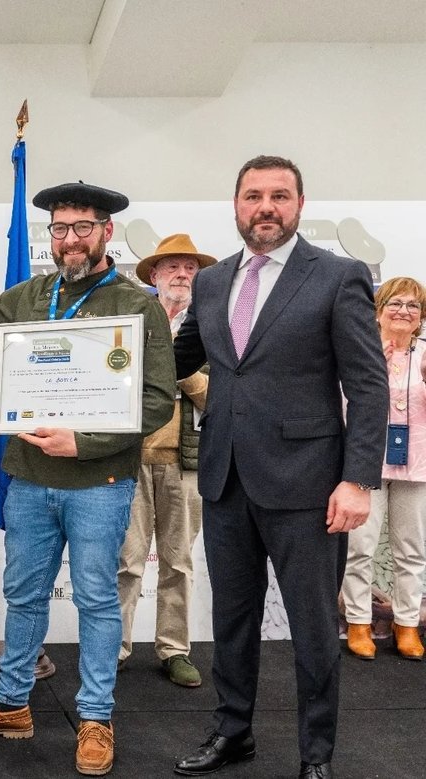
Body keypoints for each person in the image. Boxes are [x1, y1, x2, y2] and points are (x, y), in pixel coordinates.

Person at [0, 182, 176, 777]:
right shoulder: (32, 294)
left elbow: (157, 401)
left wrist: (85, 441)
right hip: (30, 478)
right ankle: (12, 704)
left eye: (82, 228)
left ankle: (95, 718)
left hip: (100, 479)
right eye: (60, 229)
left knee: (95, 599)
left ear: (105, 233)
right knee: (23, 594)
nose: (69, 240)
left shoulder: (138, 304)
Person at [171, 156, 386, 779]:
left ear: (298, 204)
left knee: (315, 631)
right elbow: (177, 356)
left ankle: (316, 754)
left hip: (311, 487)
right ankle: (232, 732)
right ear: (234, 205)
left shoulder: (338, 275)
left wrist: (358, 478)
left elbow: (368, 385)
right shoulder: (211, 285)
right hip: (225, 479)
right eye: (252, 195)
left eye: (279, 195)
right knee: (232, 622)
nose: (265, 206)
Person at [117, 234, 214, 687]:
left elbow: (219, 398)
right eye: (171, 267)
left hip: (186, 464)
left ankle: (174, 649)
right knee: (126, 561)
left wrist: (177, 365)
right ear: (153, 276)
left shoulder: (216, 329)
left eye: (190, 268)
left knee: (179, 562)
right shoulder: (134, 324)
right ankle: (113, 648)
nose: (181, 275)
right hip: (130, 459)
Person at [340, 276, 426, 661]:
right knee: (360, 547)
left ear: (421, 316)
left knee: (411, 550)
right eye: (394, 303)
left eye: (412, 305)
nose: (403, 311)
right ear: (378, 311)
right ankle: (358, 621)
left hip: (418, 462)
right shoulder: (361, 352)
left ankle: (406, 624)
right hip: (367, 460)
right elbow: (342, 403)